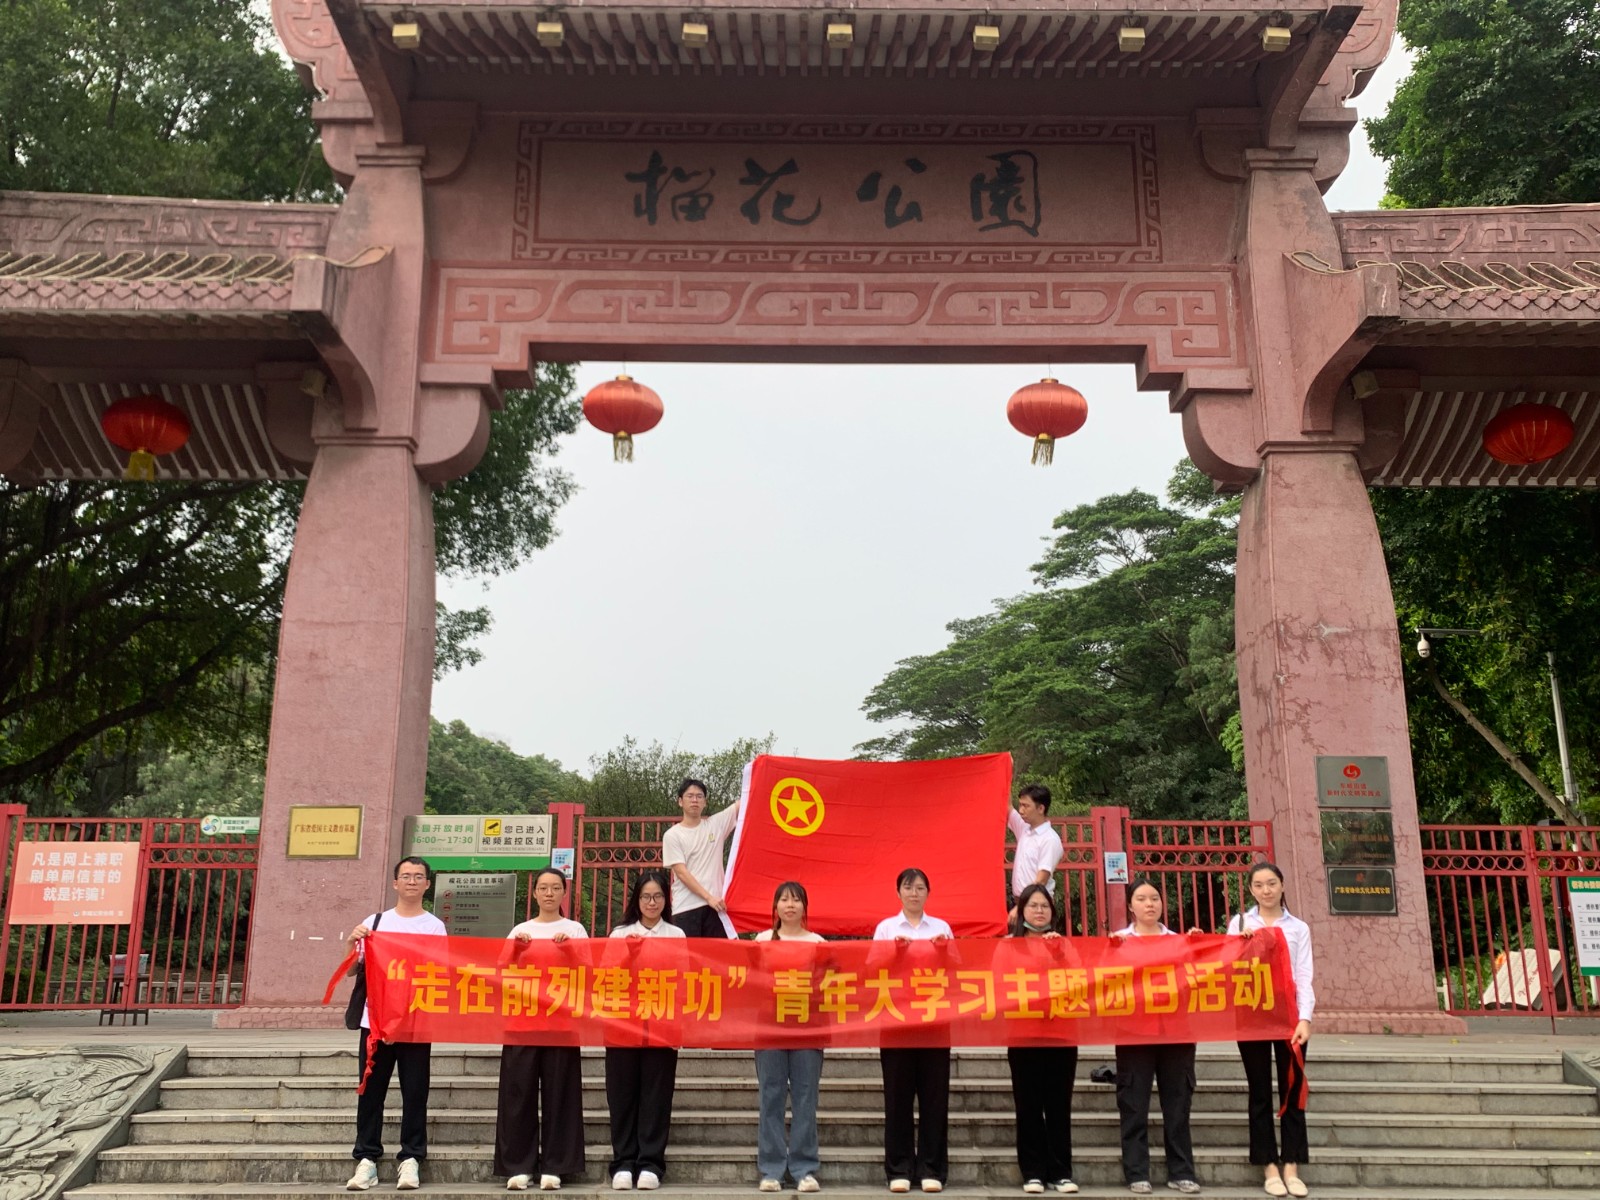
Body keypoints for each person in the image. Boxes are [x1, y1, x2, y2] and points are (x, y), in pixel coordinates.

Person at [345, 855, 446, 1192]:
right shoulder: (374, 922)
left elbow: (439, 972)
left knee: (415, 1092)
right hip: (374, 1023)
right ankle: (367, 1159)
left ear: (428, 885)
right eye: (406, 875)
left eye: (419, 876)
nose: (412, 881)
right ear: (395, 882)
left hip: (416, 1022)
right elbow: (350, 970)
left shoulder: (434, 926)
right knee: (370, 1091)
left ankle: (411, 1158)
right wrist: (351, 942)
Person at [495, 868, 588, 1191]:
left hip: (561, 1024)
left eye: (555, 888)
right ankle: (518, 1166)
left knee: (560, 1094)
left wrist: (570, 951)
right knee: (517, 1094)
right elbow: (500, 974)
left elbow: (590, 975)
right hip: (522, 1024)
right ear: (534, 894)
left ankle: (556, 1165)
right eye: (543, 888)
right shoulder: (520, 930)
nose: (549, 893)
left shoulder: (575, 929)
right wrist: (516, 950)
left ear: (565, 894)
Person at [1227, 862, 1315, 1199]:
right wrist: (1240, 945)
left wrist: (1305, 1019)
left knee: (1293, 1092)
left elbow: (1304, 975)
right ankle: (1268, 1166)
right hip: (1252, 1018)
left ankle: (1292, 1164)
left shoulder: (1299, 928)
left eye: (1272, 883)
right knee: (1260, 1092)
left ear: (1281, 885)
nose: (1266, 890)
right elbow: (1224, 968)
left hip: (1290, 1019)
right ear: (1251, 890)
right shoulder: (1239, 924)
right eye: (1259, 885)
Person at [1112, 878, 1201, 1196]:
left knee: (1178, 1104)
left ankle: (1182, 1171)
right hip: (1134, 1033)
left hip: (1176, 1033)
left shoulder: (1180, 941)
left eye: (1154, 898)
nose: (1149, 904)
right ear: (1131, 906)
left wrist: (1198, 950)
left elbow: (1199, 982)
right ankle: (1136, 1172)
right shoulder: (1117, 942)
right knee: (1133, 1104)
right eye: (1141, 898)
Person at [872, 867, 953, 1195]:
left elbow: (960, 970)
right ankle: (899, 1169)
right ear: (898, 893)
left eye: (920, 887)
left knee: (935, 1098)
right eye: (908, 887)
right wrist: (894, 951)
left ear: (928, 893)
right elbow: (869, 969)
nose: (914, 893)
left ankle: (932, 1168)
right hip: (895, 1022)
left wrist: (945, 950)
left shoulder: (942, 927)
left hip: (935, 1023)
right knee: (897, 1098)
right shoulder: (886, 928)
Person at [605, 870, 686, 1191]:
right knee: (622, 1094)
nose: (652, 902)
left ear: (666, 901)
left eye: (658, 897)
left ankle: (651, 1162)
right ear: (636, 901)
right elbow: (606, 979)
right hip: (623, 1025)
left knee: (657, 1094)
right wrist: (629, 954)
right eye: (646, 897)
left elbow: (684, 979)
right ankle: (623, 1162)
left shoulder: (676, 935)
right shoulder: (619, 934)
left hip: (662, 1024)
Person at [753, 881, 827, 1194]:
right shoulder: (760, 941)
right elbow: (750, 982)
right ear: (776, 908)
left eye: (796, 900)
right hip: (769, 1028)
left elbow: (828, 984)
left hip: (808, 1029)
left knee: (805, 1098)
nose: (790, 905)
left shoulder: (818, 942)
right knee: (770, 1097)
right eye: (784, 900)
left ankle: (804, 1169)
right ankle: (771, 1169)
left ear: (805, 908)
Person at [1004, 883, 1078, 1195]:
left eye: (1044, 906)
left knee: (1059, 1105)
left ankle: (1061, 1172)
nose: (1038, 911)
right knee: (1028, 1105)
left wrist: (1059, 953)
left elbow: (1080, 980)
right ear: (1021, 911)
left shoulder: (1065, 945)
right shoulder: (1008, 945)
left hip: (1061, 1035)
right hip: (1023, 1035)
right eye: (1032, 906)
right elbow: (998, 982)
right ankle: (1032, 1171)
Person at [662, 777, 739, 937]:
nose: (695, 800)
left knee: (717, 959)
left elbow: (742, 803)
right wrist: (708, 897)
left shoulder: (715, 825)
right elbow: (681, 872)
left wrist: (761, 770)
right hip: (686, 908)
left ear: (705, 802)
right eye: (690, 796)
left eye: (699, 796)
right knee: (688, 960)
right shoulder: (673, 835)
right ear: (680, 801)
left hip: (716, 908)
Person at [1007, 784, 1064, 922]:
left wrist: (1020, 907)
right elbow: (1007, 807)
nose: (1021, 810)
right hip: (1021, 903)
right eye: (1020, 805)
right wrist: (1006, 769)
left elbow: (1041, 880)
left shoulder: (1049, 839)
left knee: (1037, 943)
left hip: (1037, 906)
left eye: (1026, 806)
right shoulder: (1024, 829)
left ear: (1040, 808)